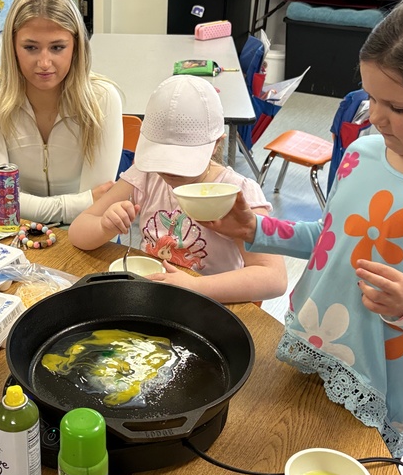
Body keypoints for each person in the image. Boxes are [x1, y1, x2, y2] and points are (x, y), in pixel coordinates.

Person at [205, 0, 403, 457]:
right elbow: (331, 240)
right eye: (370, 98)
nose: (376, 116)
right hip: (316, 337)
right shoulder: (363, 152)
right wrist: (257, 231)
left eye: (398, 107)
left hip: (383, 379)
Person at [69, 75, 287, 304]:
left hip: (210, 307)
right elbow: (77, 232)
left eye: (182, 160)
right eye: (160, 158)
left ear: (216, 144)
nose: (169, 171)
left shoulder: (238, 194)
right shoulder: (146, 176)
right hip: (155, 301)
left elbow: (273, 277)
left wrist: (195, 286)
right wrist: (104, 226)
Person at [0, 0, 123, 224]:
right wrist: (82, 202)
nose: (44, 62)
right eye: (30, 47)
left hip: (84, 230)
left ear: (76, 47)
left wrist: (13, 201)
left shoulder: (102, 99)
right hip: (14, 228)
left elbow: (96, 208)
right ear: (12, 46)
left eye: (57, 48)